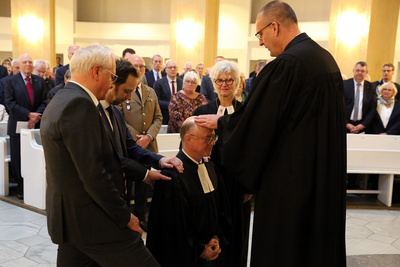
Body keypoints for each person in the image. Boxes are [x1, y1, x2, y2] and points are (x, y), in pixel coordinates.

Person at [195, 1, 347, 266]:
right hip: (323, 180)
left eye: (260, 34)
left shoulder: (287, 65)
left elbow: (258, 125)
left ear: (274, 26)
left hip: (291, 186)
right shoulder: (325, 59)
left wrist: (222, 123)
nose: (261, 42)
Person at [41, 44, 160, 267]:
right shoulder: (80, 104)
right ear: (97, 72)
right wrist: (125, 216)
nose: (112, 82)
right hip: (92, 221)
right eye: (112, 75)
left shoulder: (63, 97)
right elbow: (93, 173)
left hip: (71, 219)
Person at [99, 59, 183, 230]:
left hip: (118, 201)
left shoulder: (113, 110)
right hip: (102, 201)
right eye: (126, 91)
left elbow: (130, 148)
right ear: (112, 83)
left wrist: (160, 160)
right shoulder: (94, 112)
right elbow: (112, 159)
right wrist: (147, 174)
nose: (129, 97)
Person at [147, 117, 228, 267]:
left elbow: (219, 209)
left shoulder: (210, 167)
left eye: (213, 137)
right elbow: (172, 228)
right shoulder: (172, 176)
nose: (213, 142)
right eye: (208, 138)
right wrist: (199, 249)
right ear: (188, 139)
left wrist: (216, 238)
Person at [193, 60, 250, 267]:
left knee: (237, 236)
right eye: (220, 80)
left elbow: (252, 151)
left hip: (237, 183)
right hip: (210, 182)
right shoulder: (202, 111)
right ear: (213, 83)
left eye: (229, 80)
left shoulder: (246, 112)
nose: (224, 84)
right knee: (211, 231)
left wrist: (249, 184)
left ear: (237, 83)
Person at [344, 61, 376, 133]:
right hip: (345, 125)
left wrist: (363, 124)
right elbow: (339, 106)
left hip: (363, 126)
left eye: (362, 71)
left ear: (366, 72)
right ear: (353, 70)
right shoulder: (344, 85)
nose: (360, 73)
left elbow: (372, 109)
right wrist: (346, 123)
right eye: (357, 70)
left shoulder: (372, 87)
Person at [154, 60, 183, 124]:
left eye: (174, 67)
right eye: (170, 67)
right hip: (164, 116)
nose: (173, 69)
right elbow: (157, 101)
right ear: (166, 69)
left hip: (179, 118)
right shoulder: (158, 83)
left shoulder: (182, 82)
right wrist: (172, 105)